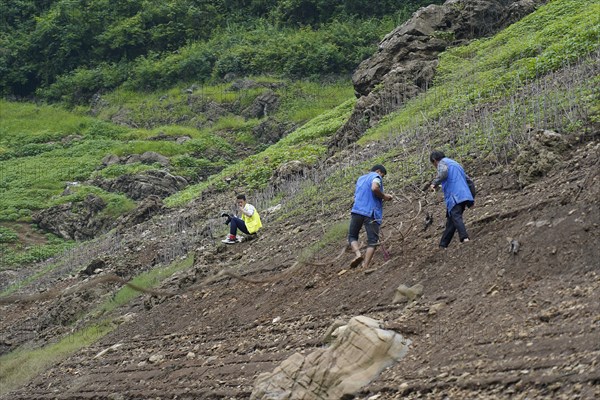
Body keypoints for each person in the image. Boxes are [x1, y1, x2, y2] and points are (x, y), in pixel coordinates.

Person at [348, 164, 393, 269]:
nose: (382, 178)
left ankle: (358, 255)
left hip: (357, 210)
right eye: (382, 175)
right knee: (372, 241)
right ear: (378, 171)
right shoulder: (376, 176)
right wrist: (384, 197)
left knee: (352, 236)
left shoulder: (360, 179)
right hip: (370, 212)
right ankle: (365, 265)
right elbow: (374, 188)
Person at [429, 151, 474, 248]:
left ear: (435, 161)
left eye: (434, 165)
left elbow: (443, 173)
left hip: (455, 196)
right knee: (451, 220)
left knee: (456, 216)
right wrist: (471, 197)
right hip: (464, 195)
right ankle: (443, 245)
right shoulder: (456, 164)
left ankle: (465, 238)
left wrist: (434, 183)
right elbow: (469, 181)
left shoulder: (442, 163)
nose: (435, 167)